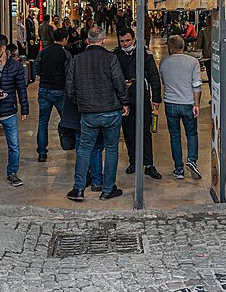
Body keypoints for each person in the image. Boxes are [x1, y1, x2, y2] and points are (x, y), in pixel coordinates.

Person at [65, 26, 129, 201]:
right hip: (110, 111)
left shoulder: (77, 60)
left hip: (88, 113)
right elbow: (119, 83)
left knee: (85, 149)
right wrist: (125, 102)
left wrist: (80, 103)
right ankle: (107, 189)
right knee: (111, 149)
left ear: (87, 40)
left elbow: (69, 88)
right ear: (103, 41)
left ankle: (78, 189)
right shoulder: (111, 58)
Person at [114, 28, 163, 179]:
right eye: (122, 41)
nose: (125, 44)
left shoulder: (144, 55)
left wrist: (156, 98)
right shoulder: (115, 56)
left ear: (134, 39)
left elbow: (154, 77)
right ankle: (133, 162)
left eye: (127, 40)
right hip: (124, 100)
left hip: (142, 98)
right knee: (129, 132)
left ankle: (148, 164)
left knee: (145, 132)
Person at [0, 32, 29, 187]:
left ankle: (12, 173)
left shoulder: (15, 66)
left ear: (3, 48)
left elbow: (21, 88)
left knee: (14, 145)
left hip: (9, 111)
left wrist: (24, 109)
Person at [158, 34, 203, 180]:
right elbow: (197, 85)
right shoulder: (193, 62)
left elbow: (164, 81)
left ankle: (178, 169)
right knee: (191, 134)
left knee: (175, 136)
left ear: (170, 48)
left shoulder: (164, 62)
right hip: (188, 103)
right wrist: (196, 104)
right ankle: (192, 160)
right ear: (182, 46)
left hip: (171, 103)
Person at [36, 26, 71, 162]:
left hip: (44, 89)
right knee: (66, 119)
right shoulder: (65, 54)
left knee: (43, 122)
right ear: (64, 39)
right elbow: (69, 75)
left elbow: (37, 69)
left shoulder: (43, 52)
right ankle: (68, 144)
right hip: (60, 91)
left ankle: (42, 152)